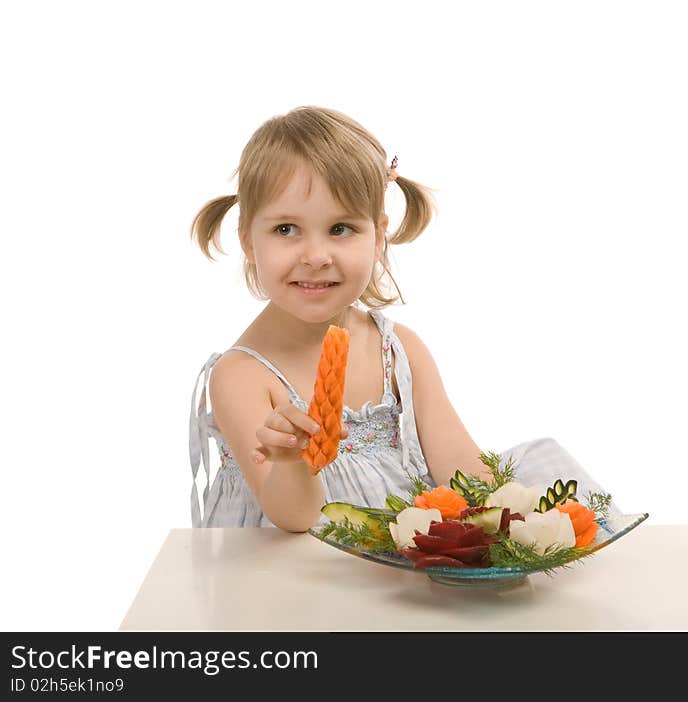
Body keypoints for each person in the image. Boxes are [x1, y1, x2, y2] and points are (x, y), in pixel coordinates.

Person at [189, 105, 622, 530]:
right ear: (247, 239)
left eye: (340, 228)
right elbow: (294, 517)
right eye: (286, 229)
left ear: (378, 236)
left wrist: (523, 519)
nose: (316, 257)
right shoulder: (240, 375)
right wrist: (290, 463)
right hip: (294, 570)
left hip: (396, 562)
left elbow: (462, 472)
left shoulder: (397, 351)